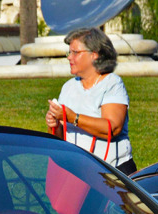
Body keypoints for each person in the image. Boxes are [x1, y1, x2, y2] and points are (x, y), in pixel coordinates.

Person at [45, 28, 137, 174]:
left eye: (75, 52)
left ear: (94, 55)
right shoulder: (68, 87)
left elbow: (112, 128)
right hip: (78, 172)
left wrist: (72, 118)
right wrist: (55, 125)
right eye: (69, 52)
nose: (69, 57)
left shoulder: (112, 83)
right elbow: (61, 137)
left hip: (112, 174)